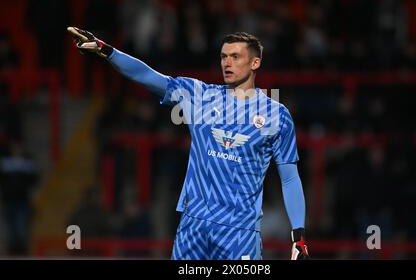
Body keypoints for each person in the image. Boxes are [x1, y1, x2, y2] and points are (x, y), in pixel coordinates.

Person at [67, 26, 309, 260]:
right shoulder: (199, 96)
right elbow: (148, 76)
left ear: (255, 63)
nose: (227, 63)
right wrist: (107, 50)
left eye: (235, 57)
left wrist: (298, 237)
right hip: (194, 225)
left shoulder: (277, 115)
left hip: (240, 232)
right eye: (223, 56)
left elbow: (289, 178)